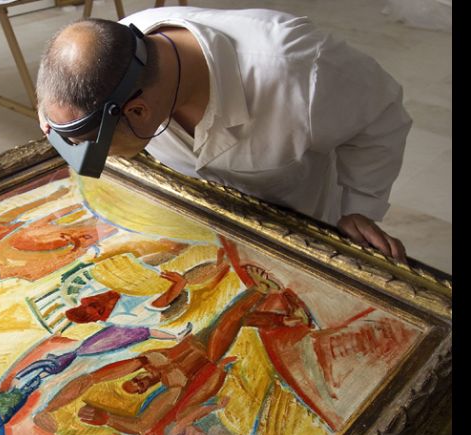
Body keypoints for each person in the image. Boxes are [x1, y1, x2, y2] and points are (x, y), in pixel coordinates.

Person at [35, 7, 412, 263]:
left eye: (97, 150)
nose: (96, 161)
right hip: (202, 221)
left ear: (138, 111)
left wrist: (359, 207)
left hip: (295, 215)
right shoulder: (112, 57)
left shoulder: (301, 70)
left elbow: (382, 117)